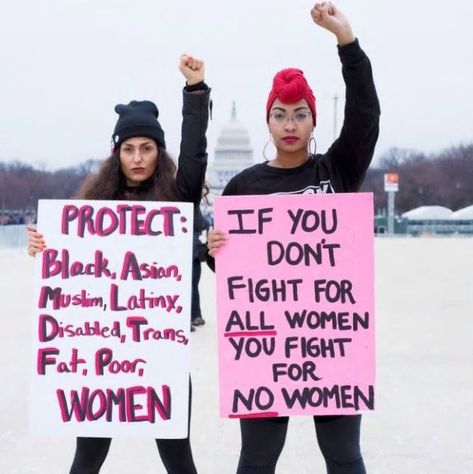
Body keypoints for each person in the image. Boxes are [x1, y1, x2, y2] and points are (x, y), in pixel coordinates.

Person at [207, 3, 380, 473]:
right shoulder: (243, 186)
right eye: (280, 114)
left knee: (344, 457)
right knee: (258, 459)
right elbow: (234, 276)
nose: (289, 124)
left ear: (313, 121)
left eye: (299, 114)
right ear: (267, 122)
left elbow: (365, 116)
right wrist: (214, 249)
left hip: (332, 342)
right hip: (266, 348)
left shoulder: (337, 169)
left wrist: (348, 43)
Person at [27, 54, 211, 474]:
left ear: (158, 151)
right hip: (102, 354)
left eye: (147, 148)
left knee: (178, 457)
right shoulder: (93, 207)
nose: (138, 157)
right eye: (128, 149)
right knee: (87, 458)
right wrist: (42, 242)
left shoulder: (175, 202)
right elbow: (67, 262)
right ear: (116, 153)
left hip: (162, 353)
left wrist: (195, 93)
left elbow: (195, 156)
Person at [191, 206, 210, 331]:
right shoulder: (193, 209)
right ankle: (195, 315)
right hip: (193, 252)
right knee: (192, 286)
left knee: (191, 286)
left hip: (191, 253)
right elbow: (204, 224)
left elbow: (204, 224)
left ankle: (194, 316)